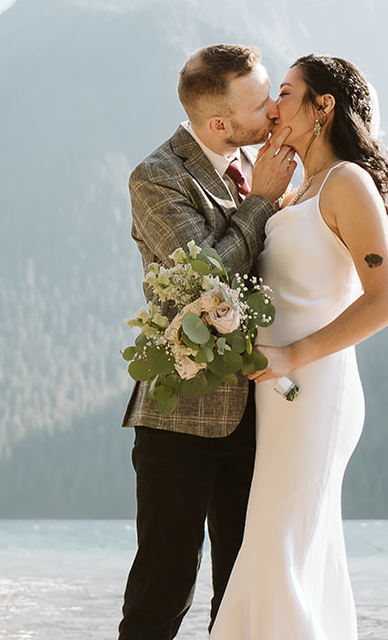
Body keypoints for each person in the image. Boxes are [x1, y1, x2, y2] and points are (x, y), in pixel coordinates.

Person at [210, 53, 388, 640]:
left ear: (324, 107)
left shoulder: (347, 182)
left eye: (287, 94)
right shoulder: (296, 194)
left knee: (278, 548)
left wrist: (292, 356)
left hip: (314, 388)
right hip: (275, 393)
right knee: (291, 550)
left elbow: (386, 301)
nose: (274, 108)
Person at [119, 44, 298, 640]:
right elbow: (204, 285)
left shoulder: (256, 162)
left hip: (263, 411)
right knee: (165, 586)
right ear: (219, 123)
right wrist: (262, 202)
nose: (273, 109)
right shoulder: (156, 177)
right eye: (260, 101)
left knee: (244, 586)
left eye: (272, 91)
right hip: (180, 416)